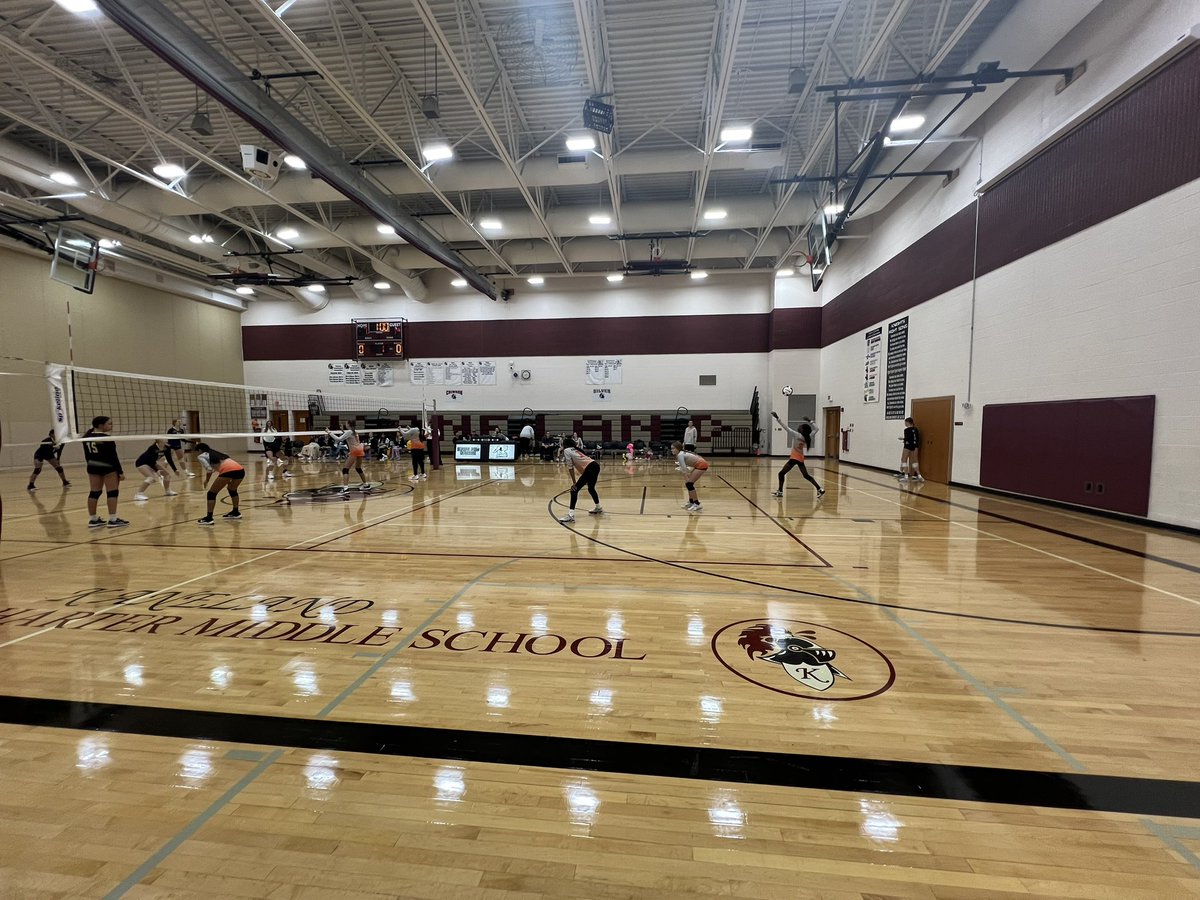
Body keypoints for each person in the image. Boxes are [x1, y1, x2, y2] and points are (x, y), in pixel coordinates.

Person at [81, 415, 128, 528]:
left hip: (92, 466)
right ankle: (113, 519)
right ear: (101, 425)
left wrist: (91, 465)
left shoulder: (86, 437)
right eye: (109, 423)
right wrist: (120, 472)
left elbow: (87, 455)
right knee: (112, 492)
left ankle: (93, 520)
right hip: (107, 467)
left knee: (94, 492)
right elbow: (113, 457)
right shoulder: (106, 438)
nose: (111, 425)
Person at [771, 411, 824, 499]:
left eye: (800, 426)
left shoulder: (797, 435)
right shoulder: (808, 436)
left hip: (794, 458)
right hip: (800, 458)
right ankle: (820, 489)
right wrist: (810, 421)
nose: (799, 427)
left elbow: (785, 427)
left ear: (802, 430)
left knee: (781, 474)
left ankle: (780, 492)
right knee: (806, 475)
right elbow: (817, 429)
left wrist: (777, 418)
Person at [195, 443, 245, 525]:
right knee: (232, 489)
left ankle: (209, 518)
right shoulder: (216, 453)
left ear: (200, 450)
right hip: (240, 470)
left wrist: (207, 481)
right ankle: (236, 512)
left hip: (228, 471)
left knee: (211, 493)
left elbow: (209, 470)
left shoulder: (201, 456)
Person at [558, 437, 602, 522]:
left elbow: (570, 468)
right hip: (595, 465)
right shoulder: (575, 449)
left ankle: (571, 515)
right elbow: (583, 466)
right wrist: (584, 478)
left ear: (565, 445)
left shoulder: (567, 450)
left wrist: (574, 483)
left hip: (590, 468)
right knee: (591, 488)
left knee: (574, 490)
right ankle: (598, 507)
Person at [327, 425, 368, 492]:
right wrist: (343, 431)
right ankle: (366, 484)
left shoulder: (349, 432)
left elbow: (338, 439)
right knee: (358, 468)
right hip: (360, 450)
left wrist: (329, 432)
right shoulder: (355, 431)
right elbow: (348, 436)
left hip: (355, 451)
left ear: (349, 425)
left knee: (345, 470)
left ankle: (345, 488)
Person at [672, 441, 708, 512]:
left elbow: (684, 469)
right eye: (671, 448)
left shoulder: (680, 455)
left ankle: (697, 504)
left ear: (678, 448)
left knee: (689, 484)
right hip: (698, 464)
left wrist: (687, 478)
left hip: (701, 465)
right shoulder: (681, 454)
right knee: (689, 484)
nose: (672, 450)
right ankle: (691, 502)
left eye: (673, 448)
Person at [899, 417, 924, 482]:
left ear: (908, 422)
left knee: (904, 460)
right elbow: (916, 439)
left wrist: (903, 439)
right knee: (915, 461)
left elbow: (908, 438)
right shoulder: (916, 429)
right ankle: (919, 476)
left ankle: (906, 476)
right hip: (915, 446)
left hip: (908, 446)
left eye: (905, 422)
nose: (905, 423)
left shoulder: (906, 430)